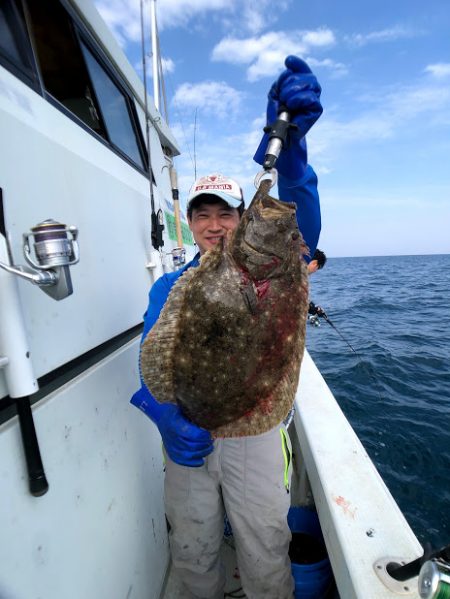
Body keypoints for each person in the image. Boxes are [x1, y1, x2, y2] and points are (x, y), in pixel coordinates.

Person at [131, 55, 323, 599]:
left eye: (226, 214)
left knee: (264, 539)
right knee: (191, 549)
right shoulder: (170, 286)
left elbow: (299, 218)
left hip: (253, 429)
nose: (215, 225)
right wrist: (166, 415)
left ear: (242, 221)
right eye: (203, 214)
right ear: (189, 224)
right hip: (188, 426)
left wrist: (295, 152)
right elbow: (152, 355)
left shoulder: (271, 268)